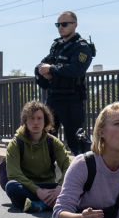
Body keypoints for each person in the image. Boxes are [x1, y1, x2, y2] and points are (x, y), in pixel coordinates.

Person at [35, 10, 94, 154]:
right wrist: (41, 71)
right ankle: (46, 174)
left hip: (72, 101)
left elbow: (76, 69)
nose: (60, 27)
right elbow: (43, 64)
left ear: (75, 25)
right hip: (53, 99)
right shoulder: (57, 46)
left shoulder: (82, 47)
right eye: (58, 25)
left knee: (76, 143)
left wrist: (52, 70)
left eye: (64, 24)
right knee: (46, 140)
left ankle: (87, 173)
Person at [3, 100, 70, 213]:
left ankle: (40, 205)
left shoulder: (53, 142)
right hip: (28, 187)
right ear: (25, 121)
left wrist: (59, 187)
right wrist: (38, 190)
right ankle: (54, 203)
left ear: (45, 121)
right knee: (11, 187)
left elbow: (68, 166)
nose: (35, 122)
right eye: (31, 118)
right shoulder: (15, 144)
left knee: (80, 188)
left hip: (50, 187)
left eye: (39, 118)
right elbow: (13, 174)